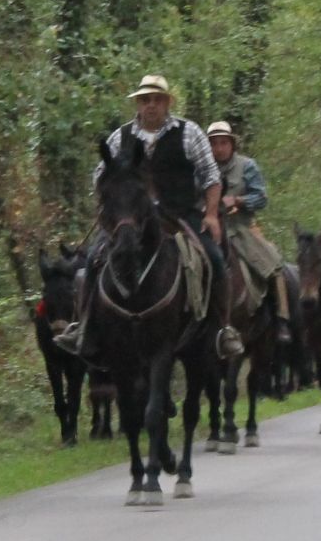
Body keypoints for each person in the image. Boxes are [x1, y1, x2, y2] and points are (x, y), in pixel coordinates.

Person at [56, 75, 245, 361]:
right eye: (146, 100)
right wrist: (113, 201)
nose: (152, 105)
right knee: (92, 260)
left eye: (158, 99)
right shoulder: (120, 136)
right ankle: (83, 328)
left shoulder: (189, 132)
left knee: (215, 259)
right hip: (130, 219)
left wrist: (211, 215)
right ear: (138, 103)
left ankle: (223, 331)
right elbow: (99, 177)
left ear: (167, 102)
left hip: (178, 214)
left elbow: (211, 176)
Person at [206, 120, 292, 344]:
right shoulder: (202, 169)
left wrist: (238, 200)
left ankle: (281, 318)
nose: (219, 148)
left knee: (273, 265)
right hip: (208, 228)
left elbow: (261, 197)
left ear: (231, 144)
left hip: (241, 228)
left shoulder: (247, 166)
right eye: (214, 143)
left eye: (223, 143)